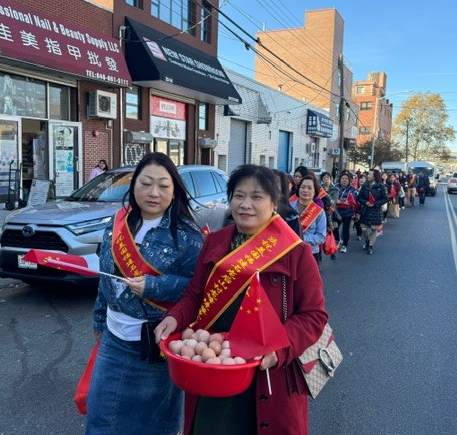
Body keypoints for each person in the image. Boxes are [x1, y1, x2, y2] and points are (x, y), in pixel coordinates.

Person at [155, 164, 328, 435]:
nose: (245, 204)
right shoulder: (215, 243)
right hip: (215, 370)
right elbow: (195, 295)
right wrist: (175, 317)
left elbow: (313, 316)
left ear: (275, 204)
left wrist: (278, 349)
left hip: (270, 376)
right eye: (238, 195)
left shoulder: (296, 253)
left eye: (257, 197)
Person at [85, 152, 204, 435]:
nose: (153, 192)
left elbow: (197, 291)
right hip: (114, 340)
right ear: (134, 184)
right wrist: (99, 321)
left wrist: (154, 286)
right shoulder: (118, 222)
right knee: (101, 419)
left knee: (152, 424)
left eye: (163, 185)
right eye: (146, 183)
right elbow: (106, 277)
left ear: (174, 190)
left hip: (156, 344)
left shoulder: (188, 236)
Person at [290, 173, 327, 266]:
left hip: (310, 253)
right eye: (303, 187)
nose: (305, 190)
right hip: (289, 252)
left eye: (310, 188)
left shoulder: (319, 212)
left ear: (315, 191)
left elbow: (321, 237)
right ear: (298, 189)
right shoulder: (289, 207)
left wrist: (300, 238)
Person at [357, 168, 388, 255]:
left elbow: (385, 199)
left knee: (374, 229)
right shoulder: (365, 185)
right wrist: (365, 202)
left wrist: (375, 203)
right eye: (368, 174)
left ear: (374, 176)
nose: (368, 176)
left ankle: (370, 246)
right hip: (365, 210)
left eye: (370, 174)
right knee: (363, 228)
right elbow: (359, 197)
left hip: (376, 211)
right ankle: (367, 240)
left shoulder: (380, 186)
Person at [334, 172, 359, 253]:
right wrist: (336, 200)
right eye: (342, 178)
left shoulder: (352, 189)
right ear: (340, 179)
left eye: (346, 179)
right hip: (337, 211)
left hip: (347, 211)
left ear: (349, 180)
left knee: (345, 229)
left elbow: (355, 198)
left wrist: (347, 201)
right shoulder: (336, 186)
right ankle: (337, 240)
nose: (344, 180)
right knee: (335, 227)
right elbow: (331, 196)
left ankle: (344, 245)